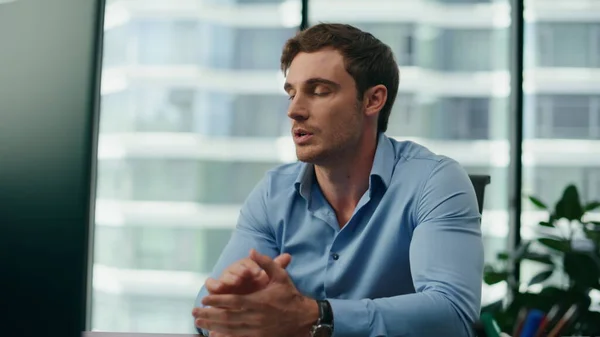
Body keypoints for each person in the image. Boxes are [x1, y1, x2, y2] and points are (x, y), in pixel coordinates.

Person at [192, 23, 484, 337]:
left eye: (319, 91)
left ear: (373, 100)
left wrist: (318, 316)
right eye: (292, 93)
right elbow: (207, 313)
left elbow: (452, 315)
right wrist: (233, 309)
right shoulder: (272, 194)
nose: (295, 110)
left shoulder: (433, 181)